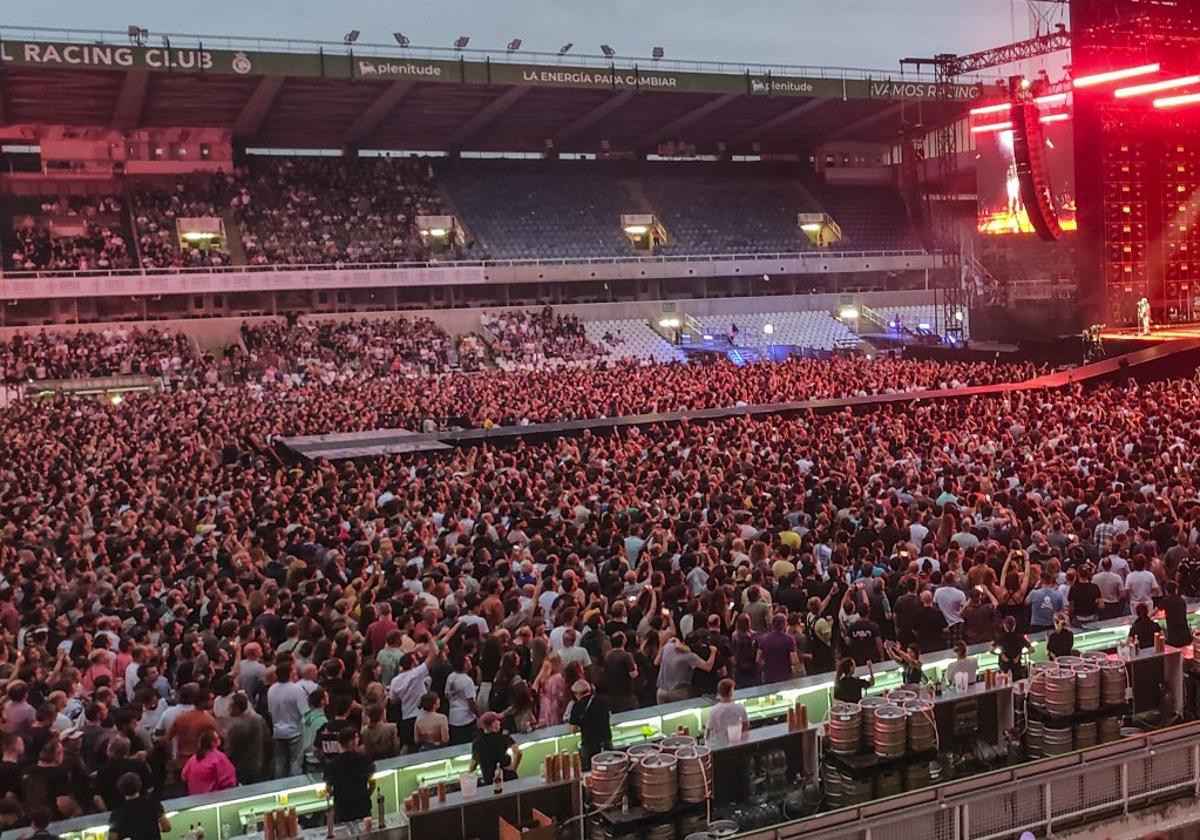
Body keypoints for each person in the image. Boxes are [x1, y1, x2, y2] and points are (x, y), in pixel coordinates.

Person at [267, 661, 309, 778]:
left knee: (280, 762)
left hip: (278, 730)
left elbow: (270, 711)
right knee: (295, 761)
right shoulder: (297, 690)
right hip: (295, 730)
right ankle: (295, 785)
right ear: (290, 673)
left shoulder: (271, 689)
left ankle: (280, 786)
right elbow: (305, 711)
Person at [323, 729, 375, 823]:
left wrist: (335, 795)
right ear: (351, 742)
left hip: (342, 807)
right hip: (362, 804)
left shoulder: (332, 764)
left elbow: (328, 788)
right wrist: (366, 794)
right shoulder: (364, 760)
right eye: (356, 738)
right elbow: (372, 783)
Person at [107, 772, 170, 840]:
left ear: (120, 789)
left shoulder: (117, 812)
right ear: (139, 785)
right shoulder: (153, 804)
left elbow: (112, 838)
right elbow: (166, 827)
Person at [655, 638, 717, 704]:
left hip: (661, 691)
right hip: (679, 693)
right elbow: (708, 667)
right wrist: (713, 652)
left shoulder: (668, 646)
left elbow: (656, 662)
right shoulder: (690, 656)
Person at [567, 679, 611, 770]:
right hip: (606, 741)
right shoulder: (602, 700)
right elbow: (609, 716)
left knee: (591, 773)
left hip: (589, 745)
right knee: (609, 769)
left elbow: (573, 730)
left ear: (576, 693)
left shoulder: (577, 707)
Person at [179, 730, 237, 796]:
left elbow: (184, 776)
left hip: (194, 798)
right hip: (212, 798)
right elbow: (229, 779)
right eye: (218, 738)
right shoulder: (218, 757)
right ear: (213, 742)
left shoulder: (192, 759)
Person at [470, 712, 521, 783]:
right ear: (493, 724)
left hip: (489, 780)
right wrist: (513, 767)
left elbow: (473, 763)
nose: (499, 722)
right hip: (507, 777)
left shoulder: (477, 742)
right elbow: (518, 752)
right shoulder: (503, 736)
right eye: (497, 721)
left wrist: (469, 775)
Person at [994, 616, 1032, 680]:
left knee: (1004, 683)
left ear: (1004, 626)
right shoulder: (1020, 638)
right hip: (1016, 665)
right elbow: (1032, 649)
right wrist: (1020, 654)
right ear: (1014, 626)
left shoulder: (1000, 638)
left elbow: (991, 649)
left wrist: (1002, 654)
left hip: (1004, 666)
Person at [1159, 581, 1190, 648]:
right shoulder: (1182, 600)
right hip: (1184, 631)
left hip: (1174, 633)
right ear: (1176, 590)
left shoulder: (1165, 600)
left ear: (1166, 590)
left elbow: (1155, 611)